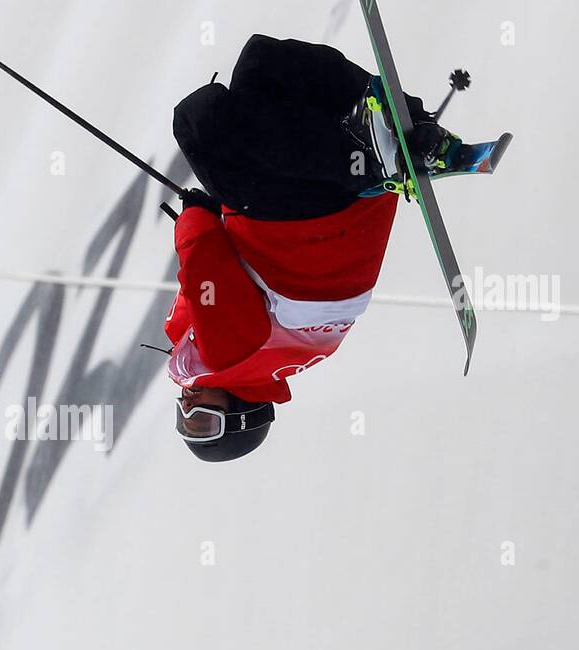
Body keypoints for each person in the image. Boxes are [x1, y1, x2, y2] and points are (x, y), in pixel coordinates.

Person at [166, 33, 458, 463]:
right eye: (206, 420)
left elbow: (235, 283)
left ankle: (383, 130)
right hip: (302, 233)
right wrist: (198, 217)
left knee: (262, 71)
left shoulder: (287, 361)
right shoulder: (223, 358)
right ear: (243, 414)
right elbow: (207, 265)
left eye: (184, 417)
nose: (190, 404)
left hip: (345, 219)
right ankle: (367, 155)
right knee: (202, 125)